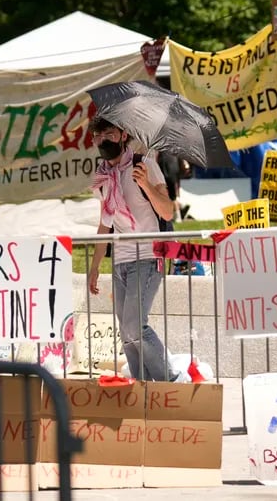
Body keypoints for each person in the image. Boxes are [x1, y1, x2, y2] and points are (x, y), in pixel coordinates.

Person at [87, 116, 177, 381]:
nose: (104, 141)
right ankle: (141, 386)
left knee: (135, 326)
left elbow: (168, 211)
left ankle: (166, 381)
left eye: (110, 134)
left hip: (149, 256)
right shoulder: (103, 176)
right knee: (126, 335)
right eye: (98, 136)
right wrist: (94, 267)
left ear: (123, 135)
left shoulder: (145, 165)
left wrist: (146, 185)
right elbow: (105, 223)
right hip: (121, 260)